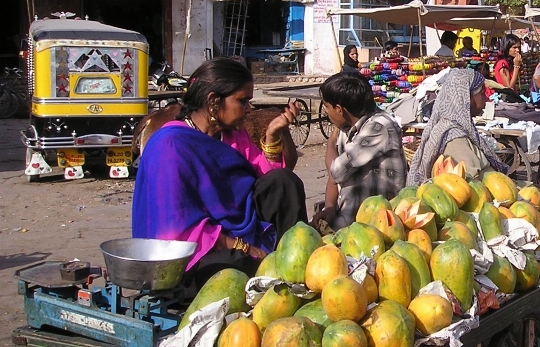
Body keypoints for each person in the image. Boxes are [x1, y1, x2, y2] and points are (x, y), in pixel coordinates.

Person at [132, 58, 307, 279]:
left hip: (240, 231)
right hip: (195, 249)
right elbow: (177, 227)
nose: (248, 109)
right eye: (243, 101)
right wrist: (241, 246)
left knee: (284, 182)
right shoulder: (170, 145)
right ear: (214, 101)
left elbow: (266, 181)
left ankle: (295, 262)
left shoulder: (232, 135)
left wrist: (272, 134)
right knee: (232, 266)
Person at [318, 72, 407, 229]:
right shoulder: (346, 127)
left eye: (326, 106)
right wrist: (329, 207)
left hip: (374, 226)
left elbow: (336, 171)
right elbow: (334, 178)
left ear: (339, 109)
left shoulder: (380, 126)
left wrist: (330, 142)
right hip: (346, 219)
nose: (326, 112)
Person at [407, 68, 509, 184]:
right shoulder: (454, 137)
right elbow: (471, 182)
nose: (486, 100)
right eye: (482, 94)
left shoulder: (459, 128)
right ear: (466, 97)